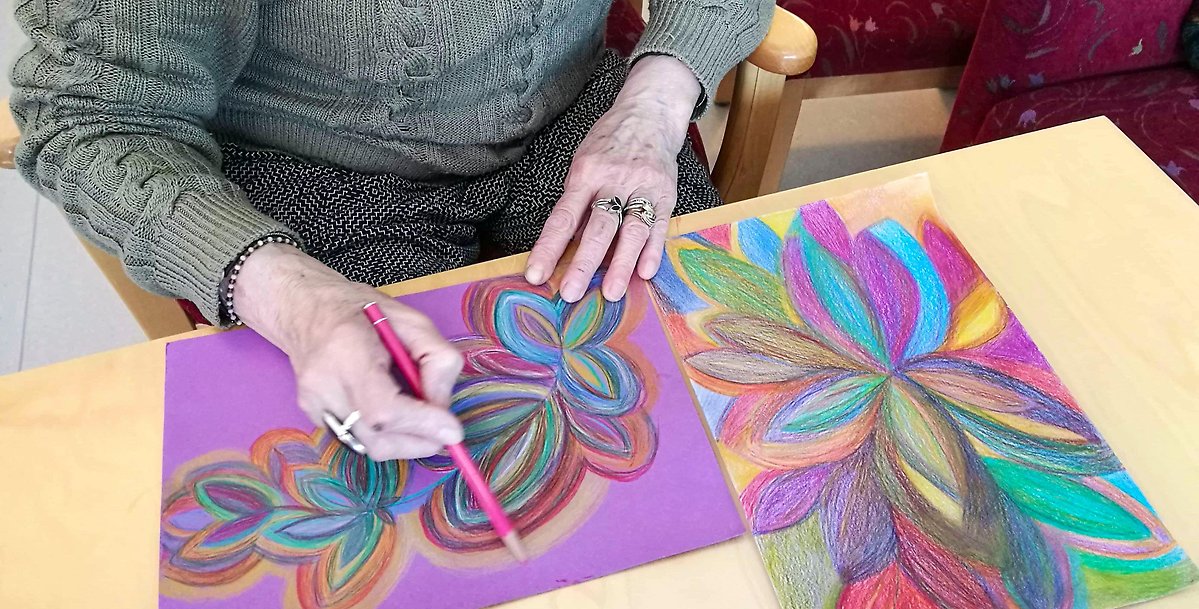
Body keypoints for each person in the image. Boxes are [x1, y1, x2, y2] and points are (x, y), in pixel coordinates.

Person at [9, 0, 771, 460]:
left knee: (702, 409)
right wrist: (290, 296)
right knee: (408, 471)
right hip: (312, 179)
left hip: (590, 119)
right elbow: (89, 117)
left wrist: (653, 102)